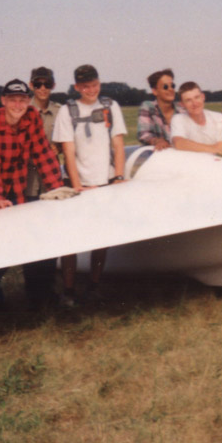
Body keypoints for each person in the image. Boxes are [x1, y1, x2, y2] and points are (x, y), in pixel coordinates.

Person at [0, 79, 64, 310]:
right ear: (3, 101)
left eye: (22, 100)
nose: (17, 105)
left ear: (28, 101)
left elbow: (42, 152)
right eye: (12, 100)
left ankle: (38, 298)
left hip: (20, 189)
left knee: (36, 242)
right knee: (3, 250)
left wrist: (57, 188)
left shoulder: (32, 116)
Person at [53, 64, 126, 303]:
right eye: (84, 86)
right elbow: (68, 150)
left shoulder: (110, 106)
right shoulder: (67, 111)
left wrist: (118, 176)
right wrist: (77, 185)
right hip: (78, 184)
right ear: (76, 87)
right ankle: (69, 290)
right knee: (70, 239)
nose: (90, 89)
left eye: (94, 84)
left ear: (99, 83)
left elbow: (117, 145)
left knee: (101, 238)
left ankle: (94, 284)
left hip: (105, 182)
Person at [23, 66, 63, 308]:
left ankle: (48, 288)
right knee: (30, 238)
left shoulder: (60, 112)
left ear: (53, 85)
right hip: (27, 184)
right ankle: (32, 292)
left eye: (47, 84)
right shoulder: (23, 110)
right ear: (31, 86)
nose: (42, 88)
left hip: (51, 183)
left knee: (50, 236)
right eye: (38, 84)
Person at [171, 81, 222, 155]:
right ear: (182, 104)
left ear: (203, 97)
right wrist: (214, 148)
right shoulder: (178, 119)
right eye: (188, 100)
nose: (194, 103)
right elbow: (179, 143)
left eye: (197, 97)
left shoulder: (218, 118)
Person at [137, 68, 180, 150]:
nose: (171, 89)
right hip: (158, 157)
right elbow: (143, 133)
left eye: (172, 86)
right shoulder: (148, 107)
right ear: (155, 91)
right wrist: (157, 141)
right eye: (165, 87)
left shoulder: (182, 110)